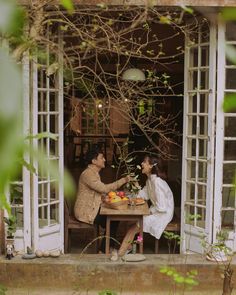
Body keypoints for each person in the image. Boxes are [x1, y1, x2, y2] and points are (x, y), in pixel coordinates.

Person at [111, 155, 174, 260]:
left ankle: (120, 254)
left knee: (133, 228)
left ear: (151, 166)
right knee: (129, 222)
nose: (142, 164)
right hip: (157, 211)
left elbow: (162, 207)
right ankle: (129, 246)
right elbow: (143, 195)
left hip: (162, 214)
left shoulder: (157, 182)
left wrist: (148, 212)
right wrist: (135, 184)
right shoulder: (150, 180)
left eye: (144, 162)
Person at [74, 146, 130, 253]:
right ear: (94, 161)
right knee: (113, 220)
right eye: (102, 157)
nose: (104, 159)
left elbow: (97, 193)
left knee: (113, 219)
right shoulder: (88, 174)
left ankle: (106, 248)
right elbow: (104, 188)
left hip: (92, 208)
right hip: (86, 212)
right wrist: (124, 180)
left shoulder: (94, 173)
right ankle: (104, 250)